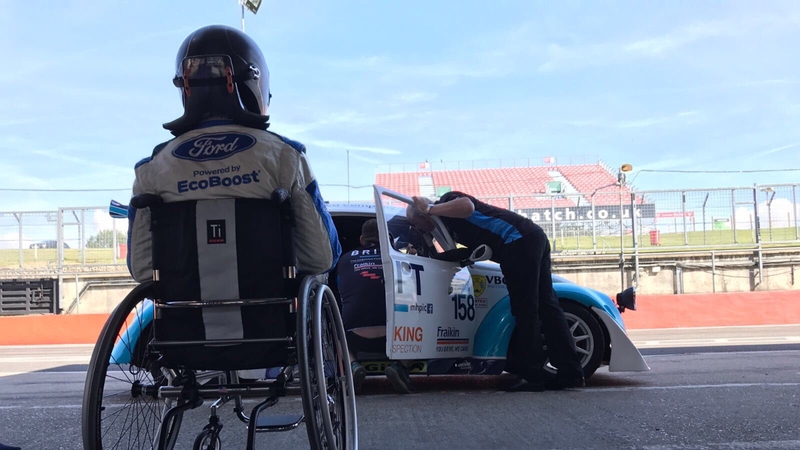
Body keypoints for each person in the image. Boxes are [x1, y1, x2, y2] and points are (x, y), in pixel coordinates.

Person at [126, 25, 341, 281]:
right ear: (254, 84)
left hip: (184, 319)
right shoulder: (286, 156)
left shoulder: (151, 170)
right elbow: (321, 257)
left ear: (185, 87)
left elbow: (141, 270)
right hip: (271, 317)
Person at [406, 192, 584, 391]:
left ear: (422, 216)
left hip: (517, 242)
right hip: (531, 238)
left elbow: (467, 206)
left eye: (416, 223)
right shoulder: (450, 227)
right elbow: (469, 251)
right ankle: (572, 373)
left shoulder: (447, 202)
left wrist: (429, 208)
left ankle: (532, 375)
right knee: (548, 306)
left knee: (525, 310)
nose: (418, 228)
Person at [337, 219, 415, 394]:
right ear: (388, 238)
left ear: (361, 239)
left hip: (354, 337)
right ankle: (401, 367)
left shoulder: (344, 260)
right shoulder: (399, 259)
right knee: (420, 310)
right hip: (395, 338)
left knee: (333, 324)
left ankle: (352, 365)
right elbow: (412, 292)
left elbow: (342, 290)